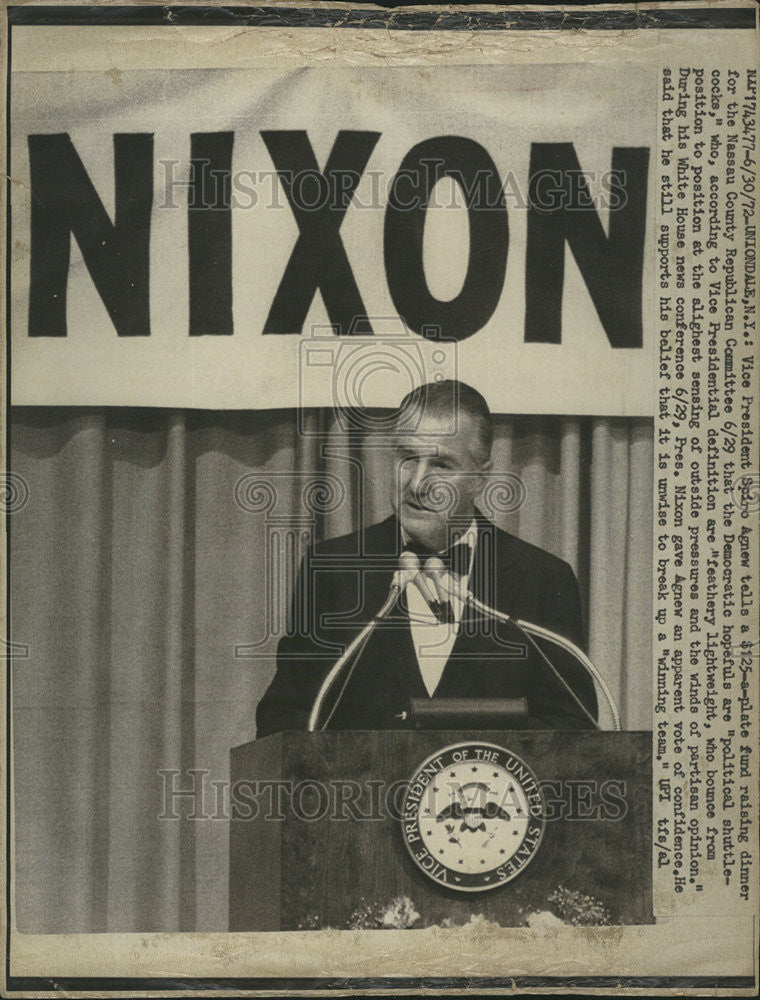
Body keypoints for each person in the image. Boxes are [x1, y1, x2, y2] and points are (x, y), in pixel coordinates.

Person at [256, 380, 598, 736]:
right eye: (407, 457)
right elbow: (283, 719)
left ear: (480, 477)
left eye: (441, 464)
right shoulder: (330, 570)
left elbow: (572, 728)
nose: (418, 483)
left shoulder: (541, 579)